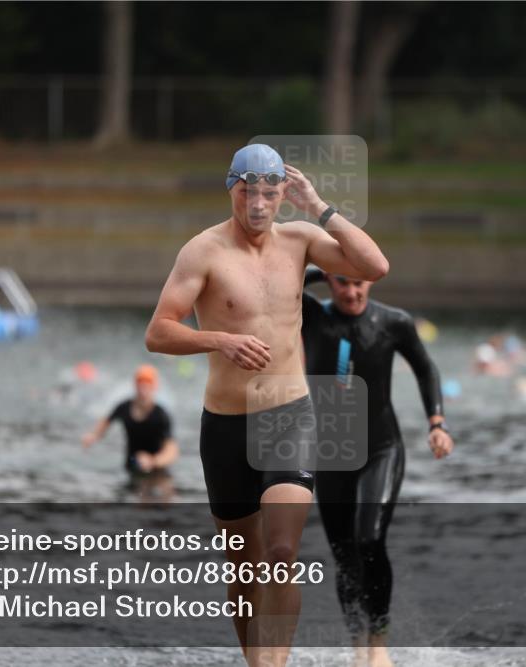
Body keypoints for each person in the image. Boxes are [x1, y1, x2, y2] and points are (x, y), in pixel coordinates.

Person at [144, 143, 389, 667]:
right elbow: (158, 333)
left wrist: (318, 205)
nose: (258, 202)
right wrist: (218, 340)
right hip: (226, 426)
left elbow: (376, 265)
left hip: (289, 414)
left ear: (283, 193)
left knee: (280, 553)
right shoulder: (202, 252)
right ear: (232, 189)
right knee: (244, 568)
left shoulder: (301, 239)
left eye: (269, 192)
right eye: (248, 190)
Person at [301, 268, 454, 667]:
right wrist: (319, 267)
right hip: (331, 451)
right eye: (341, 283)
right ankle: (358, 646)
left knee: (369, 539)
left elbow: (425, 368)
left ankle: (379, 645)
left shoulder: (393, 322)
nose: (352, 292)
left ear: (371, 281)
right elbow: (281, 282)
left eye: (359, 282)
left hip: (380, 449)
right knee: (344, 554)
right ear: (329, 284)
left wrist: (436, 423)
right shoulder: (313, 316)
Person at [81, 365, 179, 477]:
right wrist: (94, 435)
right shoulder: (124, 407)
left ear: (154, 388)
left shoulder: (161, 415)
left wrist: (153, 461)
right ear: (135, 386)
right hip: (130, 465)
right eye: (141, 385)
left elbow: (172, 451)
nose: (143, 390)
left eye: (147, 386)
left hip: (156, 471)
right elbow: (107, 421)